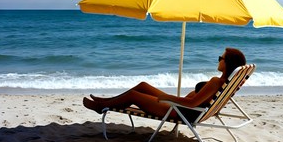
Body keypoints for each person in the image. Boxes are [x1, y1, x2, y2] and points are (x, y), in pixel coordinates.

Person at [83, 47, 246, 120]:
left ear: (227, 63)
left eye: (221, 58)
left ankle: (101, 106)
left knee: (134, 95)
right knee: (143, 85)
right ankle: (105, 102)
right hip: (182, 108)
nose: (218, 60)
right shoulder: (225, 82)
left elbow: (193, 102)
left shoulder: (216, 82)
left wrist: (167, 97)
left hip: (178, 111)